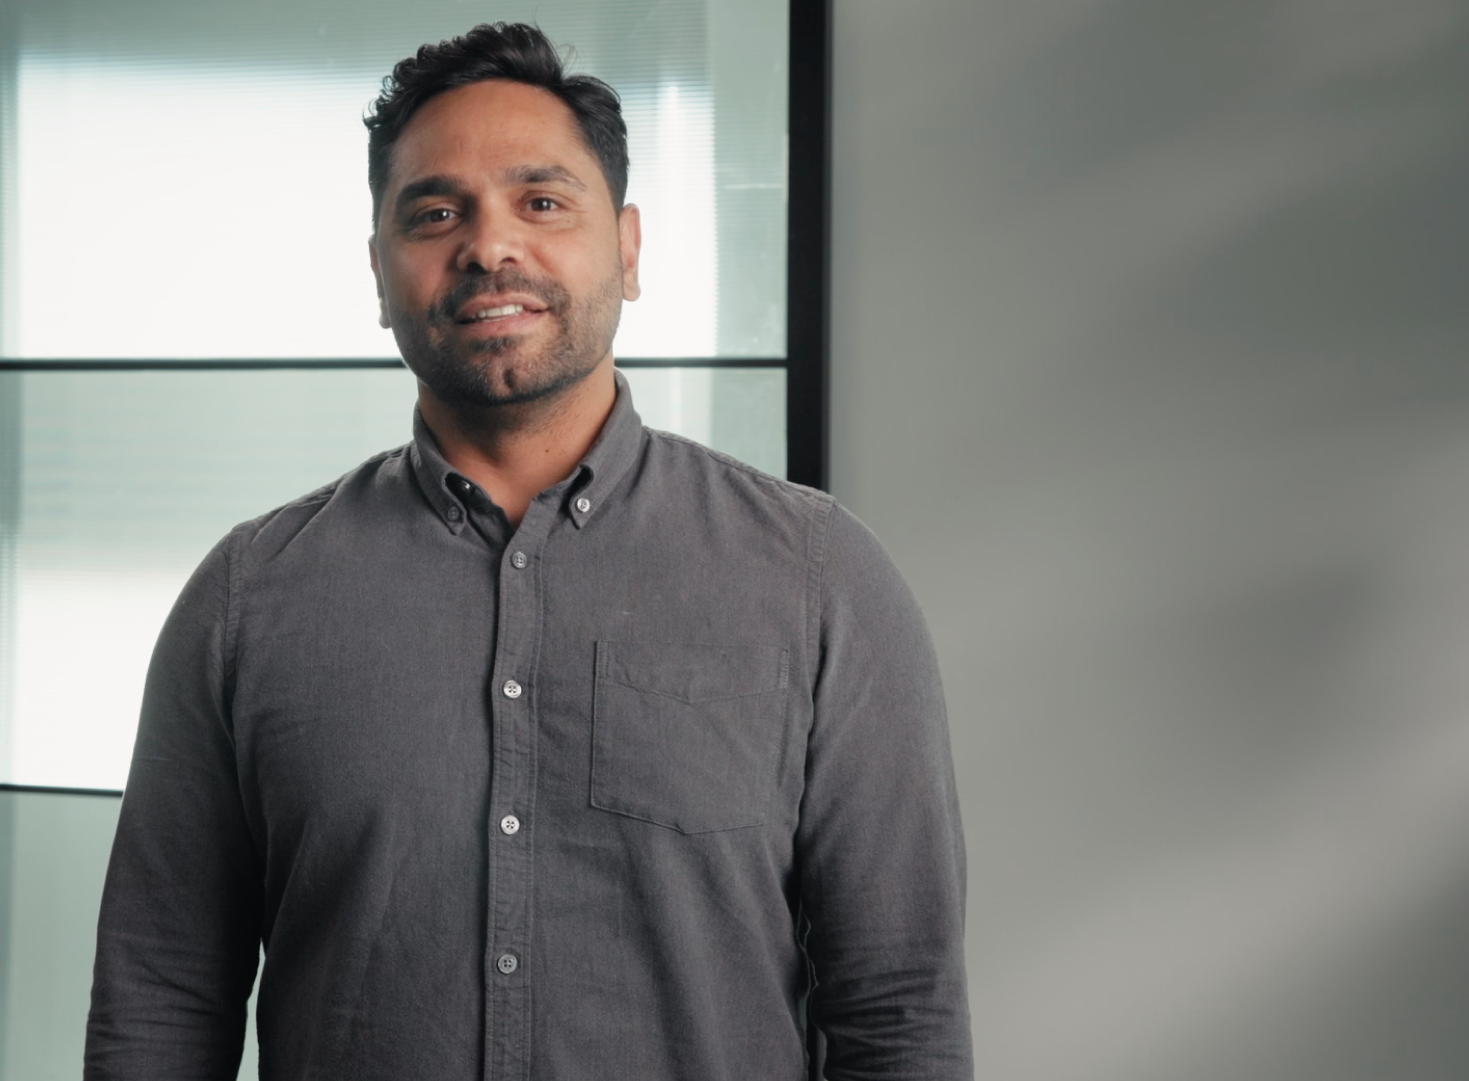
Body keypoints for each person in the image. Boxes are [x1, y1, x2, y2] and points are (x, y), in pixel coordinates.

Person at [85, 22, 970, 1081]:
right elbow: (158, 1000)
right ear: (379, 273)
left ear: (629, 248)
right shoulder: (245, 601)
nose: (489, 245)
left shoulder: (821, 583)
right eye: (435, 212)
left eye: (542, 202)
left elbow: (899, 1009)